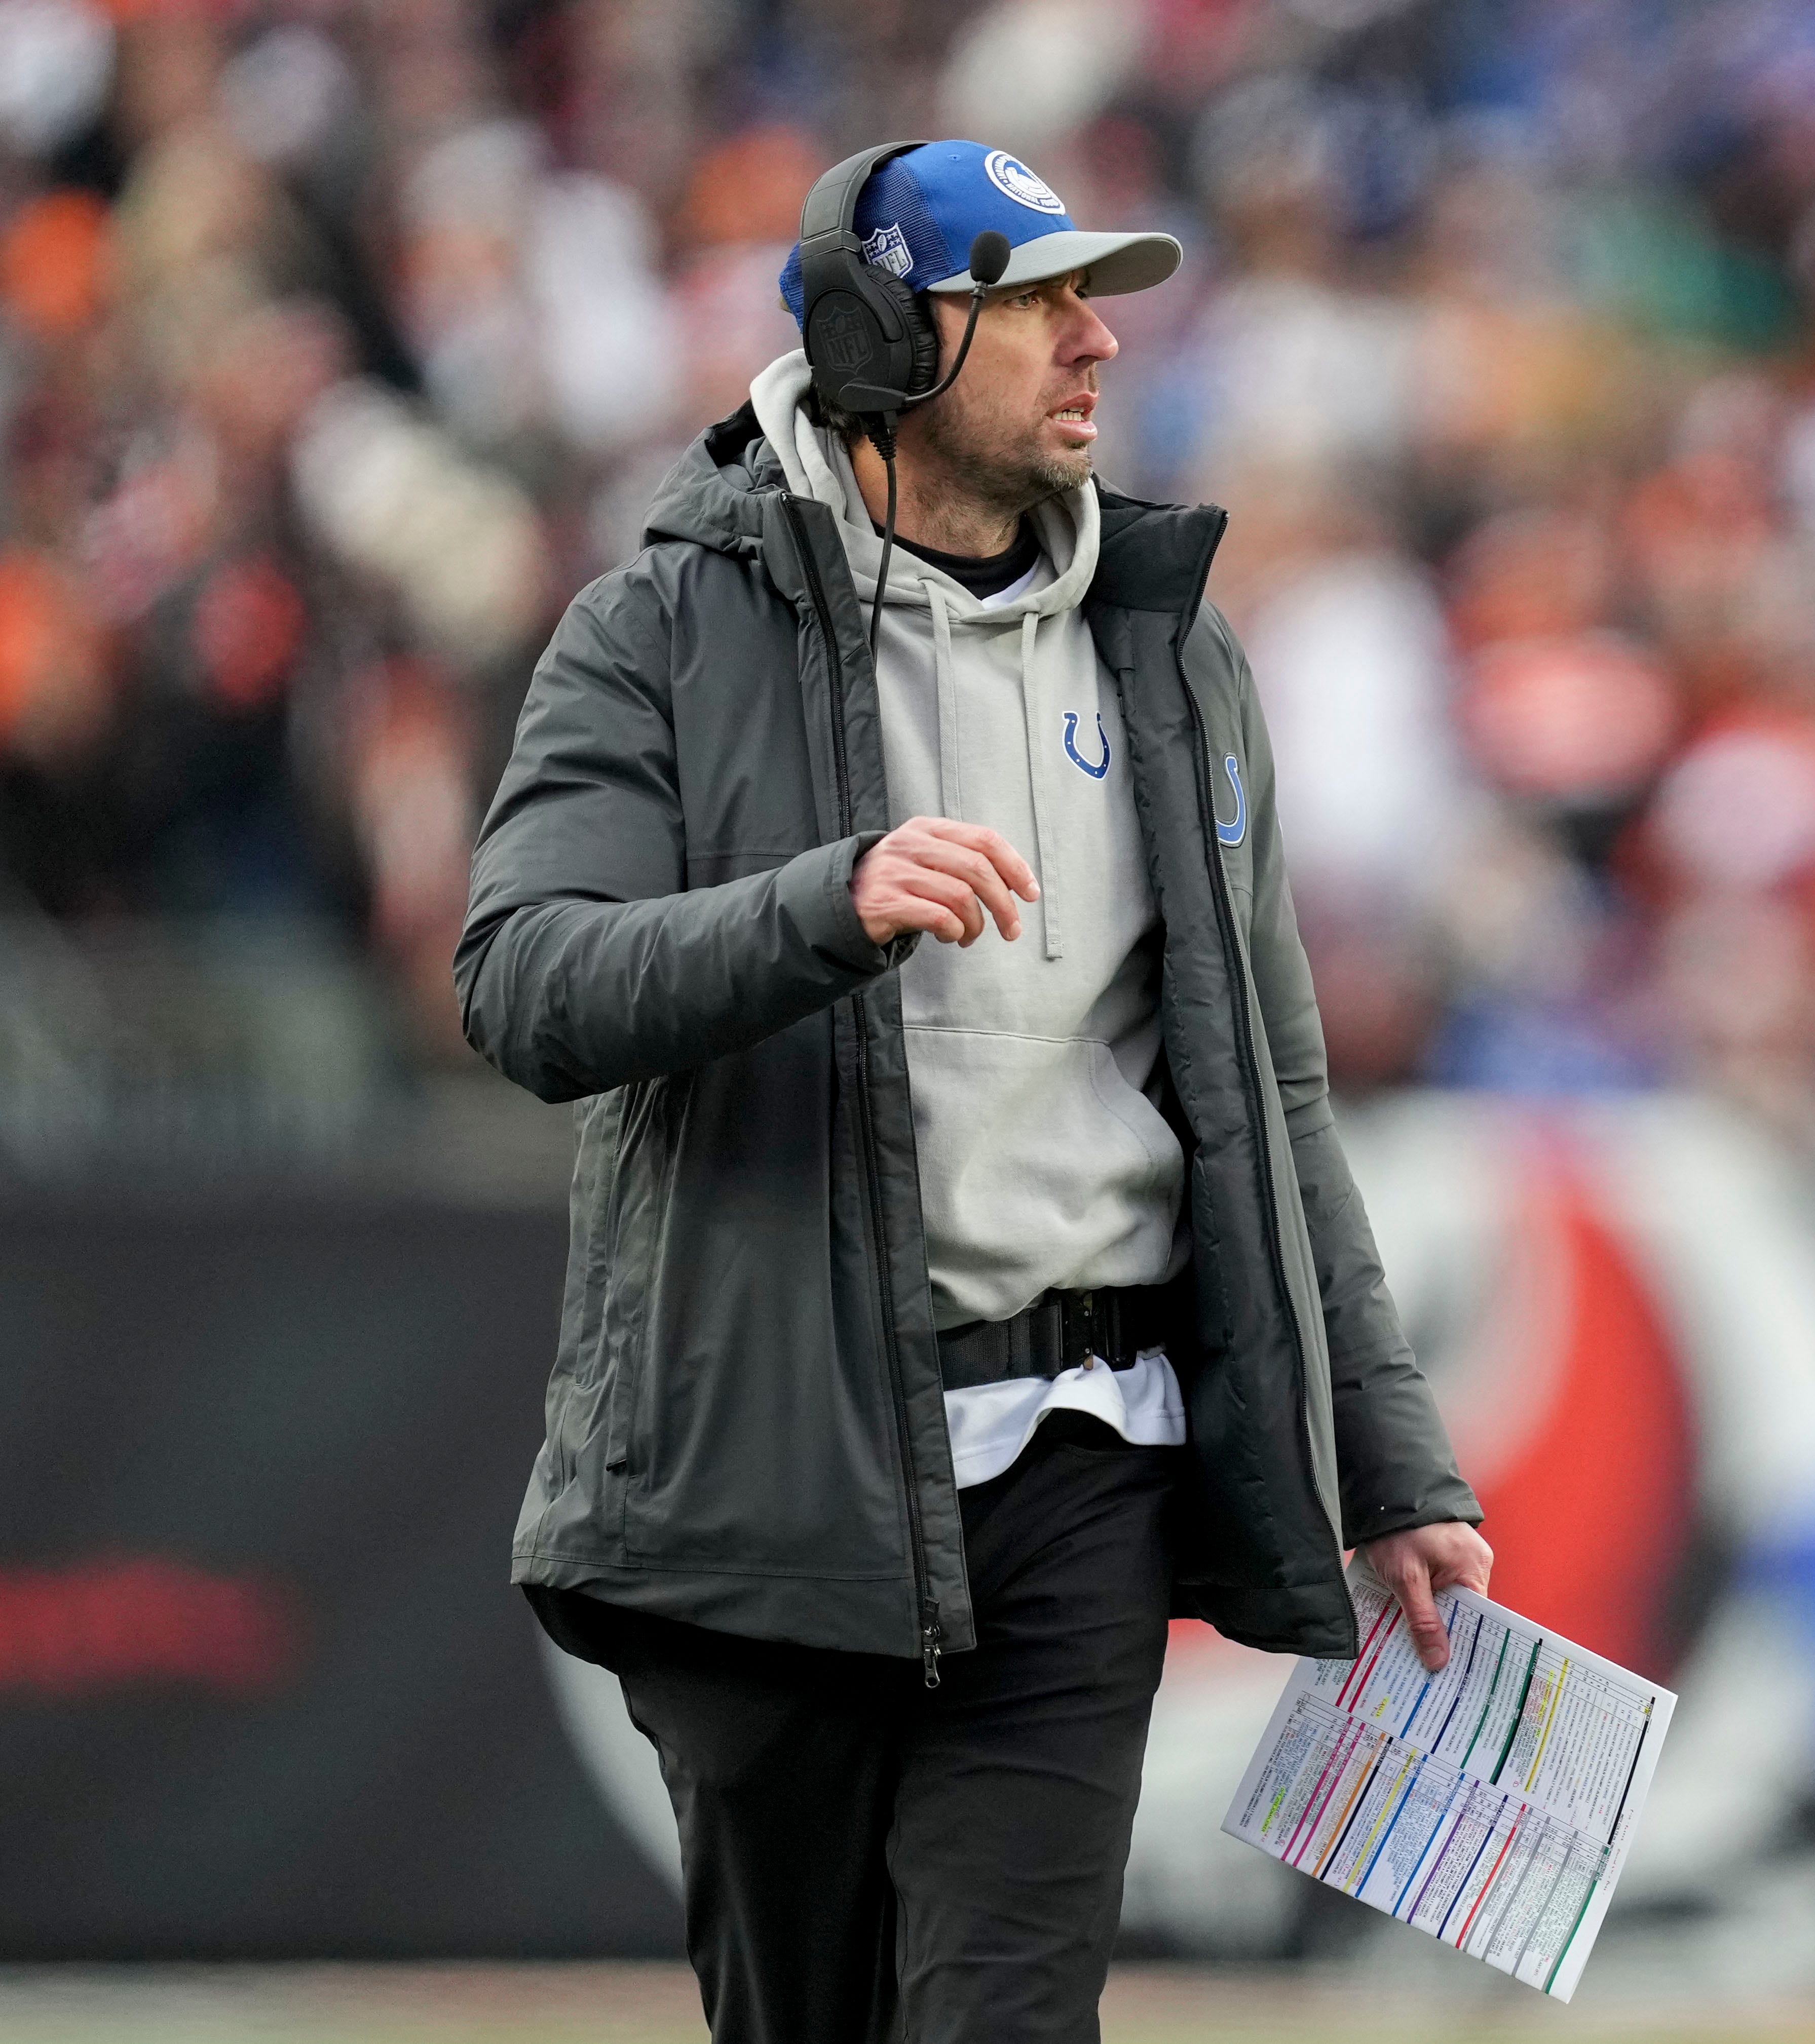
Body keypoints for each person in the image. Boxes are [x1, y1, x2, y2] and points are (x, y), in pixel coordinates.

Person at [453, 139, 1491, 2044]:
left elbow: (1266, 1089)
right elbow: (523, 985)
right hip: (775, 1463)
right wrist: (819, 904)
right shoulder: (659, 632)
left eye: (1094, 297)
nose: (1098, 340)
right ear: (882, 334)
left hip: (1085, 1458)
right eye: (1033, 299)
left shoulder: (1173, 650)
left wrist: (1395, 1458)